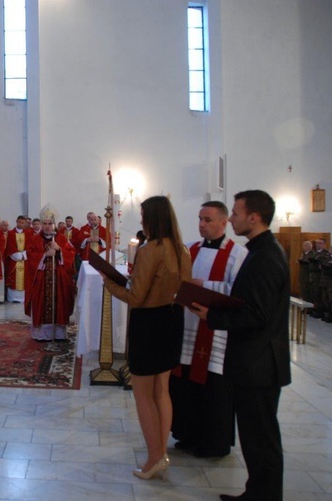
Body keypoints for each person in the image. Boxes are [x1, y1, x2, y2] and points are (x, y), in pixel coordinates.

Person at [190, 190, 290, 501]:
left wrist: (213, 316)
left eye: (234, 213)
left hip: (259, 364)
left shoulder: (266, 257)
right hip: (253, 361)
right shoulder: (260, 251)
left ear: (254, 217)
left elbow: (256, 314)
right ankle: (256, 493)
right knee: (255, 438)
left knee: (261, 439)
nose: (231, 218)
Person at [102, 195, 191, 481]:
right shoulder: (182, 250)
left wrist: (110, 284)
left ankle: (154, 458)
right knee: (161, 390)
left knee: (142, 393)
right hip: (172, 320)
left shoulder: (150, 249)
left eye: (143, 215)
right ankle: (161, 452)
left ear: (153, 218)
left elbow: (135, 297)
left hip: (149, 323)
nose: (140, 220)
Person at [169, 201, 248, 459]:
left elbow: (239, 292)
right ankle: (187, 434)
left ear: (224, 223)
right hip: (188, 327)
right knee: (185, 383)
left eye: (208, 219)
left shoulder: (237, 254)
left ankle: (214, 442)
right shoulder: (189, 249)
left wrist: (205, 285)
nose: (201, 224)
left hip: (215, 333)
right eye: (200, 218)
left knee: (213, 387)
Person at [25, 205, 75, 341]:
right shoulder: (35, 239)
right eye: (45, 224)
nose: (47, 227)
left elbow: (71, 254)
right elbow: (30, 255)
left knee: (59, 301)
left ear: (54, 224)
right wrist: (45, 254)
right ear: (41, 224)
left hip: (58, 278)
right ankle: (41, 334)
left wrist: (59, 250)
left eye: (50, 224)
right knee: (40, 302)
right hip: (41, 279)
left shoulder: (61, 239)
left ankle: (58, 333)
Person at [5, 215, 28, 303]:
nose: (21, 224)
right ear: (16, 221)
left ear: (25, 223)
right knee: (13, 278)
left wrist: (24, 255)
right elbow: (10, 246)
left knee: (25, 278)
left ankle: (23, 298)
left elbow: (30, 246)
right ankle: (13, 298)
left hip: (25, 260)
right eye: (19, 222)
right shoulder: (10, 233)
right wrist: (18, 255)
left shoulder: (28, 233)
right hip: (14, 260)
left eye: (23, 223)